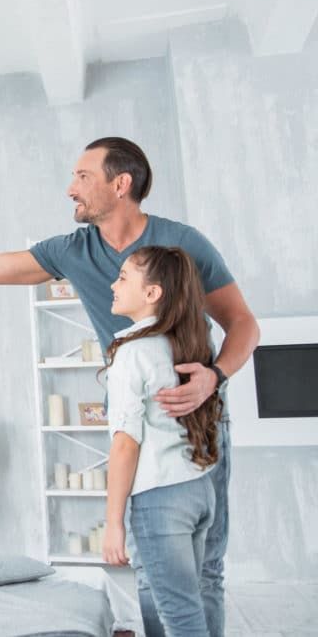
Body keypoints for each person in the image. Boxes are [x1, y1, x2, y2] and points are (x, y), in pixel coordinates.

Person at [0, 137, 259, 636]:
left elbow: (243, 323)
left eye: (83, 176)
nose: (71, 188)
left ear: (121, 183)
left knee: (206, 568)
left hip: (199, 420)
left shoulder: (181, 246)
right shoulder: (72, 250)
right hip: (136, 422)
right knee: (152, 569)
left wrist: (213, 378)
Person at [102, 246, 224, 635]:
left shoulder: (133, 353)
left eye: (123, 277)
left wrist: (113, 523)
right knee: (167, 600)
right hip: (197, 488)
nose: (113, 284)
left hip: (159, 497)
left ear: (152, 293)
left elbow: (125, 444)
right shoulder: (187, 343)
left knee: (180, 616)